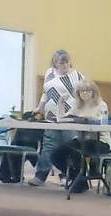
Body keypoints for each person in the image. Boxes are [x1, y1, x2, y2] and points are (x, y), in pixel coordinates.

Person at [29, 50, 85, 186]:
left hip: (70, 117)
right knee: (48, 146)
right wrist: (39, 107)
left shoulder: (77, 76)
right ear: (55, 63)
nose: (65, 65)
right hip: (51, 117)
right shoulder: (49, 73)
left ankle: (67, 175)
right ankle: (41, 175)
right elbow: (46, 93)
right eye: (62, 62)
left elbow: (84, 95)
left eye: (67, 62)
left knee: (69, 146)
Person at [50, 80, 111, 193]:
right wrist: (60, 104)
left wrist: (87, 119)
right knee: (56, 154)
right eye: (81, 92)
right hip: (82, 140)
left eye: (87, 91)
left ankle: (80, 182)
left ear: (94, 92)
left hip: (100, 141)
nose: (84, 94)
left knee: (76, 151)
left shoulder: (101, 105)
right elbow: (62, 119)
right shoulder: (77, 106)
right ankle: (75, 177)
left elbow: (103, 123)